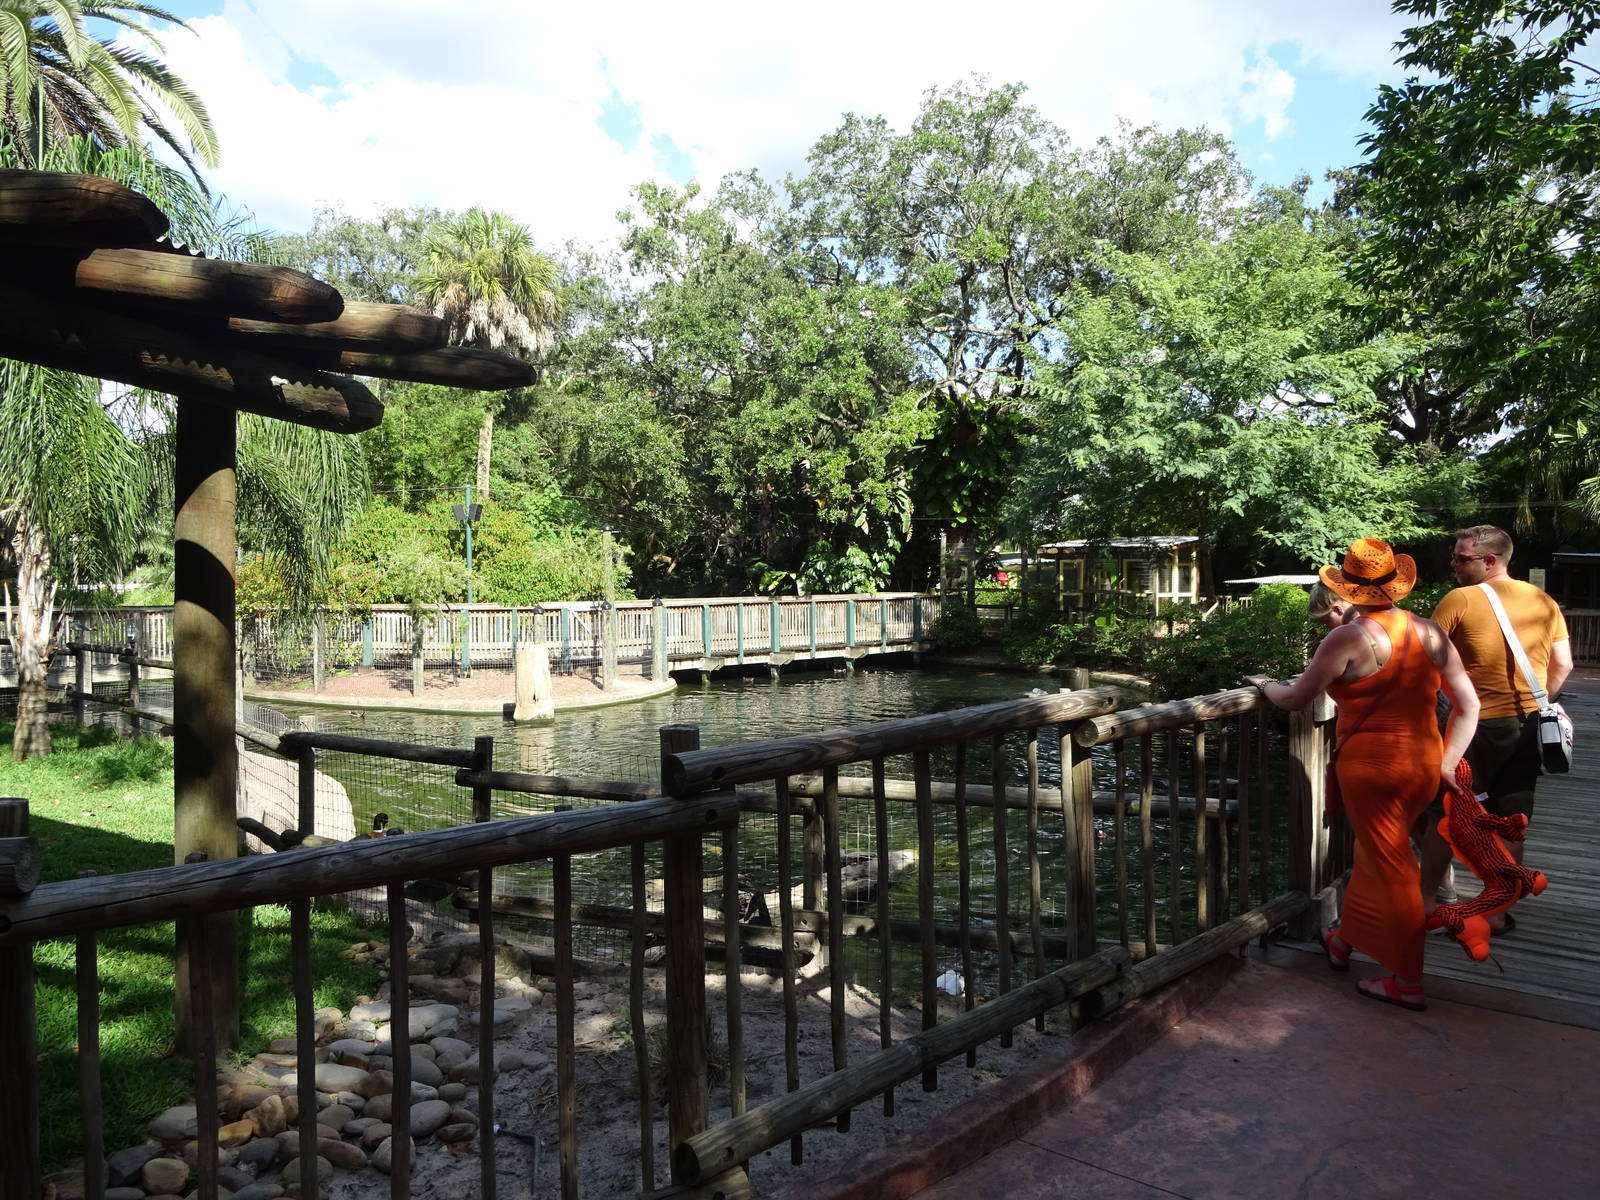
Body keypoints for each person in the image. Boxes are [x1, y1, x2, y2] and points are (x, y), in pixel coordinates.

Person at [1247, 539, 1479, 1011]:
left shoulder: (1347, 638)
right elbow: (1468, 705)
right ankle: (1343, 943)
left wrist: (1264, 684)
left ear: (1349, 589)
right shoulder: (1431, 632)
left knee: (1393, 867)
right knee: (1376, 855)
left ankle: (1407, 981)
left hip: (1371, 770)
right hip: (1420, 766)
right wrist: (1446, 761)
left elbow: (1294, 699)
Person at [1419, 525, 1571, 930]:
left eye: (1461, 558)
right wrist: (1537, 702)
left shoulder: (1460, 600)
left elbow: (1422, 662)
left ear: (1490, 561)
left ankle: (1426, 902)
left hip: (1477, 727)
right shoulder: (1542, 600)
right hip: (1529, 725)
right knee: (1511, 817)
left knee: (1446, 815)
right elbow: (1564, 665)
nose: (1453, 563)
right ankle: (1497, 912)